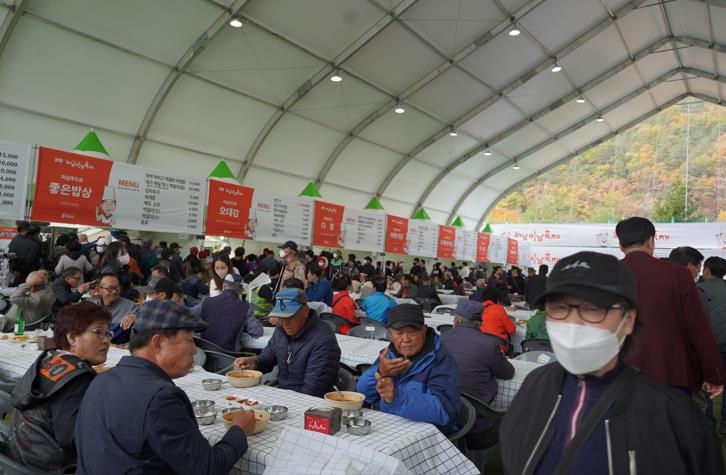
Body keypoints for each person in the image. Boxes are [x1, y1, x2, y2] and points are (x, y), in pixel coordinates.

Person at [499, 251, 724, 475]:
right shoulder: (535, 386)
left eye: (593, 309)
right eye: (559, 308)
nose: (573, 323)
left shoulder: (676, 419)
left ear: (628, 321)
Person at [74, 300, 255, 474]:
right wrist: (239, 430)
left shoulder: (101, 379)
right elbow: (207, 468)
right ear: (158, 343)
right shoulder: (160, 397)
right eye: (189, 340)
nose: (194, 350)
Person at [617, 217, 724, 408]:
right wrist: (713, 373)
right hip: (670, 373)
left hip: (617, 373)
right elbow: (698, 328)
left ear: (620, 244)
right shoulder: (677, 274)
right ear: (651, 241)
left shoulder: (607, 273)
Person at [7, 302, 111, 472]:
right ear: (71, 337)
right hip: (49, 466)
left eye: (108, 333)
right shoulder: (78, 377)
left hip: (21, 455)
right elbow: (72, 439)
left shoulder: (50, 357)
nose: (106, 340)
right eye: (98, 332)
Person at [356, 304, 461, 435]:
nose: (405, 339)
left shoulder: (439, 358)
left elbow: (445, 412)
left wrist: (396, 396)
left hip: (427, 436)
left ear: (424, 330)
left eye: (412, 332)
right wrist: (380, 372)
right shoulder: (389, 353)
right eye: (399, 333)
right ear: (390, 333)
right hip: (389, 429)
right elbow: (363, 393)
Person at [233, 288, 340, 397]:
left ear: (305, 311)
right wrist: (254, 362)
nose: (285, 323)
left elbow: (312, 392)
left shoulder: (323, 340)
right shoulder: (280, 331)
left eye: (290, 317)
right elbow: (266, 358)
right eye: (281, 317)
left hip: (310, 402)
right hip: (284, 393)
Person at [440, 299, 514, 447]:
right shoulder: (489, 344)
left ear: (456, 319)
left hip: (445, 421)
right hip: (479, 426)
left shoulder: (441, 340)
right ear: (480, 322)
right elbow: (507, 373)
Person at [192, 274, 263, 352]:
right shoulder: (245, 307)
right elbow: (257, 332)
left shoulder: (206, 301)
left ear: (224, 286)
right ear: (241, 290)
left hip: (206, 353)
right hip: (229, 356)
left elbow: (187, 315)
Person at [697, 256, 726, 432]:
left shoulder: (696, 289)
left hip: (707, 347)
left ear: (706, 271)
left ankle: (707, 421)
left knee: (705, 382)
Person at [89, 273, 138, 344]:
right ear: (99, 290)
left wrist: (137, 317)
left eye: (117, 287)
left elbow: (137, 336)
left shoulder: (130, 307)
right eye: (110, 288)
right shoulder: (90, 306)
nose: (114, 291)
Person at [480, 288, 516, 353]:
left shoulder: (478, 309)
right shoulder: (499, 309)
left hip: (481, 345)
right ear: (497, 299)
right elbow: (511, 330)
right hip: (499, 346)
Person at [8, 222, 41, 287]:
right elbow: (29, 261)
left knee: (11, 291)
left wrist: (14, 270)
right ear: (36, 233)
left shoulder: (15, 239)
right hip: (25, 275)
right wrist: (20, 271)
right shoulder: (34, 244)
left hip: (13, 272)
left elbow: (10, 255)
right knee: (23, 293)